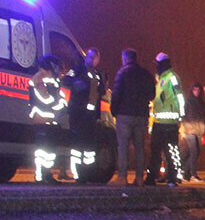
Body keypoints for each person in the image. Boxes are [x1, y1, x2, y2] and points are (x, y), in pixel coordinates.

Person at [110, 48, 154, 186]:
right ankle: (139, 178)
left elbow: (116, 94)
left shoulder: (122, 73)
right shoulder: (146, 74)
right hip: (141, 115)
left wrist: (114, 111)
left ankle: (122, 177)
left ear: (124, 58)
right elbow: (152, 94)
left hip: (124, 114)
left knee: (123, 146)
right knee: (140, 147)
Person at [64, 48, 103, 182]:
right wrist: (76, 83)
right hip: (77, 112)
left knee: (89, 146)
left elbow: (101, 91)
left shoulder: (98, 74)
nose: (91, 60)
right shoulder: (77, 69)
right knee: (77, 144)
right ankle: (77, 172)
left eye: (94, 58)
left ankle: (89, 173)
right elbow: (65, 81)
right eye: (90, 57)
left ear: (98, 60)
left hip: (91, 116)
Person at [28, 55, 67, 183]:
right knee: (42, 149)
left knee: (50, 149)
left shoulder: (53, 80)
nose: (57, 69)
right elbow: (45, 98)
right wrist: (57, 103)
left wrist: (60, 104)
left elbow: (61, 97)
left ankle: (47, 173)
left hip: (51, 119)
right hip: (41, 118)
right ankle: (41, 175)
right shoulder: (38, 78)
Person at [149, 52, 184, 187]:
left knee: (171, 150)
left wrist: (181, 115)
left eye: (157, 64)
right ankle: (153, 176)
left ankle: (174, 177)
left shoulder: (172, 78)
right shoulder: (160, 79)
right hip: (159, 122)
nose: (156, 67)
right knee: (156, 151)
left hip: (170, 122)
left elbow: (179, 96)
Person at [180, 83, 205, 182]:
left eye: (198, 90)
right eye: (195, 90)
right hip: (189, 129)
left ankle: (185, 172)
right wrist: (185, 126)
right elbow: (183, 115)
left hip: (198, 129)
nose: (196, 92)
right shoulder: (188, 102)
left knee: (196, 152)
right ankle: (192, 174)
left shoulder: (200, 102)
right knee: (194, 152)